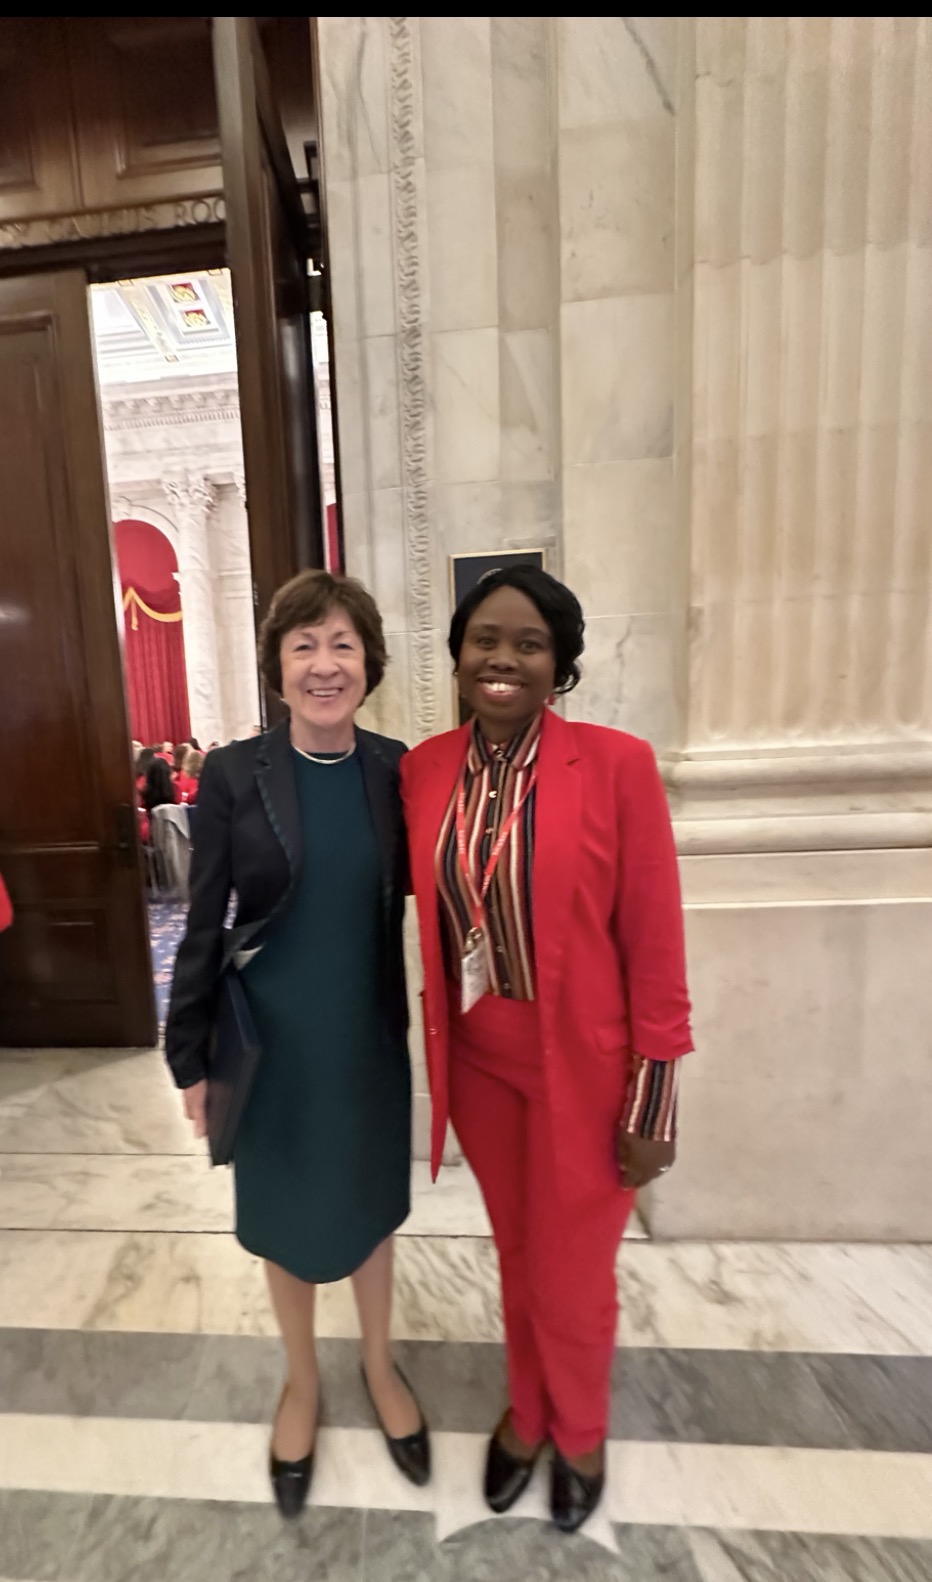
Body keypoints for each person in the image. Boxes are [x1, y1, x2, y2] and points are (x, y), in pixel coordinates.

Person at [401, 566, 692, 1535]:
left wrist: (651, 1099)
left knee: (574, 1272)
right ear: (457, 653)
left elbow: (652, 941)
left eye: (528, 644)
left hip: (587, 1070)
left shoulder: (614, 765)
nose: (502, 659)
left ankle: (578, 1430)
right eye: (485, 638)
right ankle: (525, 1414)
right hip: (480, 1067)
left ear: (559, 666)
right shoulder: (425, 769)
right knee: (521, 1254)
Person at [165, 569, 429, 1518]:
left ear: (370, 663)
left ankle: (379, 1365)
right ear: (279, 667)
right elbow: (202, 923)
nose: (325, 664)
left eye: (343, 644)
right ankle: (303, 1381)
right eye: (305, 646)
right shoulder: (238, 773)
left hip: (363, 1031)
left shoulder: (400, 769)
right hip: (269, 1038)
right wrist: (188, 1058)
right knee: (281, 1209)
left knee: (366, 1202)